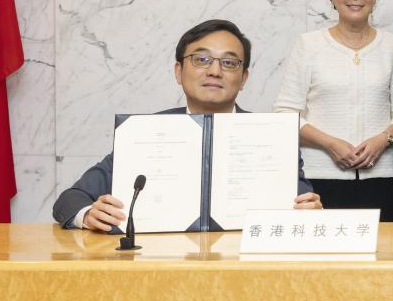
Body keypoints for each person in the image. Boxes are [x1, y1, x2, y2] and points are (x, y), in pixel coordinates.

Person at [52, 19, 322, 231]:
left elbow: (303, 205)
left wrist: (310, 211)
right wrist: (88, 215)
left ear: (243, 79)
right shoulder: (143, 133)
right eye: (202, 60)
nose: (214, 71)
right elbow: (70, 199)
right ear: (179, 72)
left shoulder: (273, 136)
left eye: (229, 63)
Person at [274, 0, 393, 220]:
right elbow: (285, 113)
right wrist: (330, 144)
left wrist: (382, 140)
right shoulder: (309, 45)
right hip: (319, 175)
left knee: (381, 244)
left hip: (379, 177)